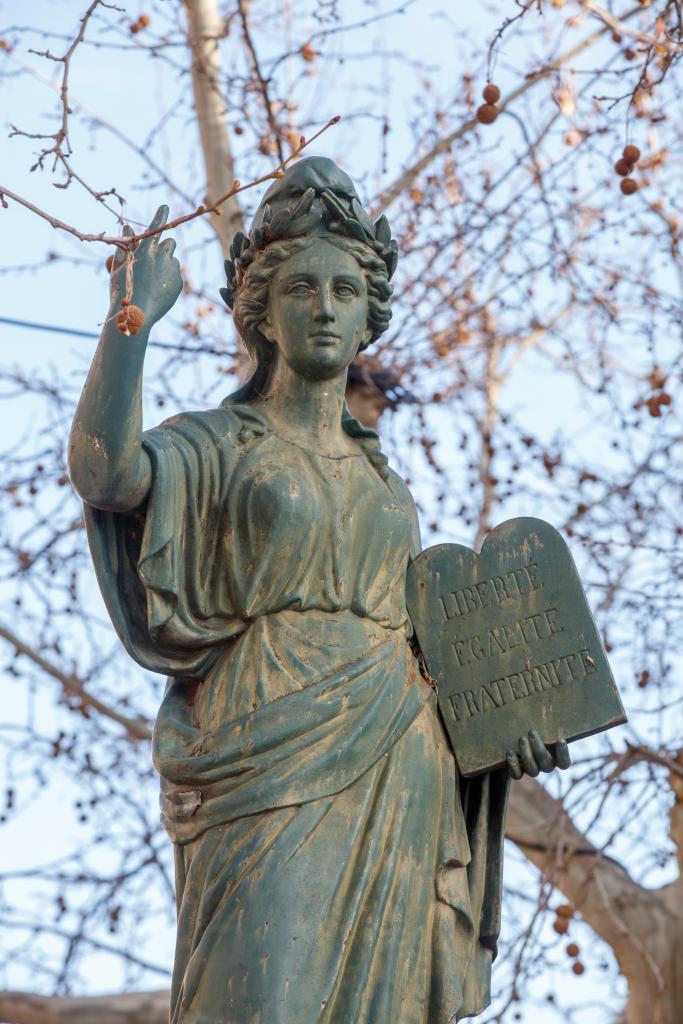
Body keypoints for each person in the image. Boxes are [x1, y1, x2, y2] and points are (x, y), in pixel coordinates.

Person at [68, 157, 569, 1024]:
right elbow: (107, 472)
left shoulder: (385, 482)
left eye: (344, 288)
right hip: (261, 744)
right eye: (301, 287)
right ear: (262, 309)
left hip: (399, 760)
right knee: (258, 998)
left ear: (369, 308)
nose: (326, 306)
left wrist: (508, 729)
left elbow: (439, 656)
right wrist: (130, 324)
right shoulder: (216, 443)